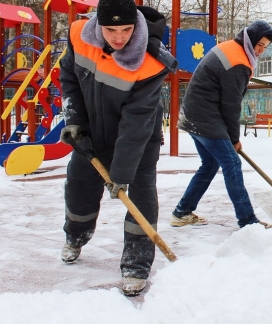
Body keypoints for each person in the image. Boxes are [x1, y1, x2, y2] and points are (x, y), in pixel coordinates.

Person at [58, 0, 176, 296]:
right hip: (91, 136)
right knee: (79, 189)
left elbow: (135, 123)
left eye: (126, 29)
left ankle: (136, 266)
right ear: (98, 24)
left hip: (139, 141)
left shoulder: (151, 62)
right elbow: (69, 78)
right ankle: (76, 235)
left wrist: (121, 173)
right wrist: (74, 120)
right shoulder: (78, 37)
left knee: (139, 198)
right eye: (111, 30)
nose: (119, 37)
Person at [170, 20, 272, 228]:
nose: (261, 50)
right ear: (251, 39)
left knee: (210, 164)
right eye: (259, 44)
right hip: (206, 117)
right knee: (232, 164)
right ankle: (248, 221)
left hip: (194, 114)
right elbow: (231, 105)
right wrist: (234, 139)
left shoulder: (231, 48)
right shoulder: (238, 62)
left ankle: (182, 212)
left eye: (265, 46)